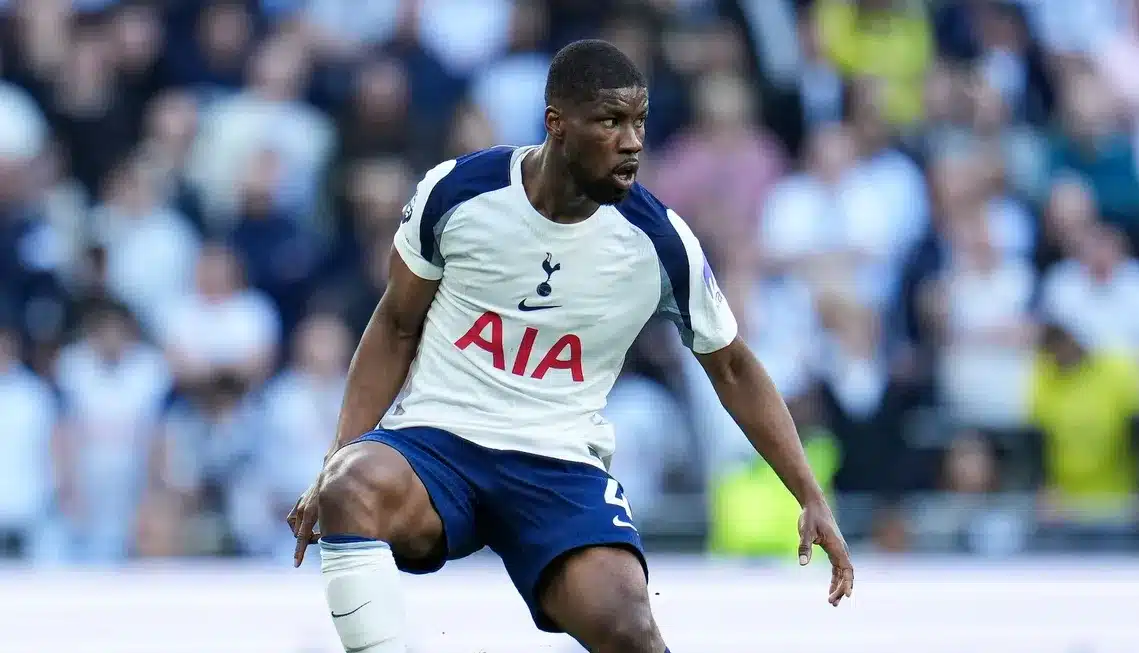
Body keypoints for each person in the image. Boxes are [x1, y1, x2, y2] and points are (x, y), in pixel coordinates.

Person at [286, 40, 854, 653]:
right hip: (438, 442)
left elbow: (734, 368)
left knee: (629, 628)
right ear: (557, 123)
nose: (632, 142)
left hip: (557, 463)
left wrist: (809, 493)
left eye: (639, 122)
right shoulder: (459, 192)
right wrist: (335, 458)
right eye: (610, 121)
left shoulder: (659, 242)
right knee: (350, 486)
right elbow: (396, 324)